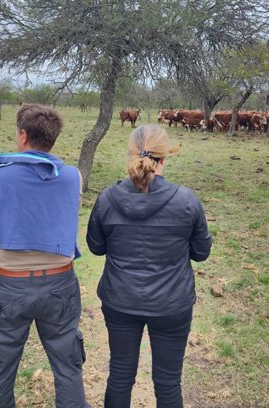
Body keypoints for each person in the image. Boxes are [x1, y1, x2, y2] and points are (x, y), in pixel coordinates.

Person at [86, 124, 212, 408]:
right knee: (168, 384)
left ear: (130, 155)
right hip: (172, 304)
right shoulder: (187, 201)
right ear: (164, 158)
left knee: (119, 376)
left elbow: (96, 246)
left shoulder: (107, 198)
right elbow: (201, 252)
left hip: (120, 301)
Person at [0, 104, 89, 408]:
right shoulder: (72, 175)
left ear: (23, 135)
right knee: (68, 366)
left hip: (10, 285)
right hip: (60, 282)